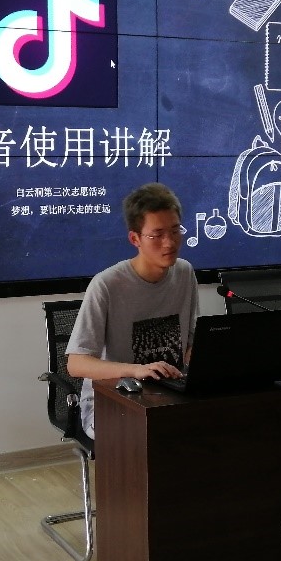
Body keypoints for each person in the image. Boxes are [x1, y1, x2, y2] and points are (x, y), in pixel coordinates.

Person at [66, 182, 200, 437]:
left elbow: (189, 346)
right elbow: (76, 364)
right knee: (156, 437)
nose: (169, 243)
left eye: (175, 231)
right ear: (135, 239)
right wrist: (136, 369)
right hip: (113, 402)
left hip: (169, 394)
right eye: (157, 235)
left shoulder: (184, 273)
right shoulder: (107, 285)